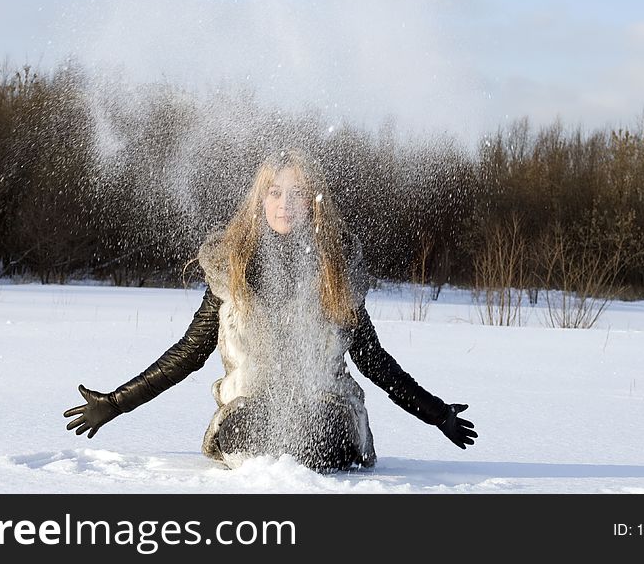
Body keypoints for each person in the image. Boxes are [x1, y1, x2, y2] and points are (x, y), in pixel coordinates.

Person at [64, 148, 477, 472]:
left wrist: (437, 414)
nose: (285, 203)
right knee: (256, 435)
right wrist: (117, 403)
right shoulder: (233, 272)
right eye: (275, 191)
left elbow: (375, 363)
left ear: (313, 201)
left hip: (328, 415)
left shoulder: (336, 274)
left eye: (297, 192)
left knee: (310, 435)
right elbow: (188, 354)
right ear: (260, 199)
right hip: (249, 414)